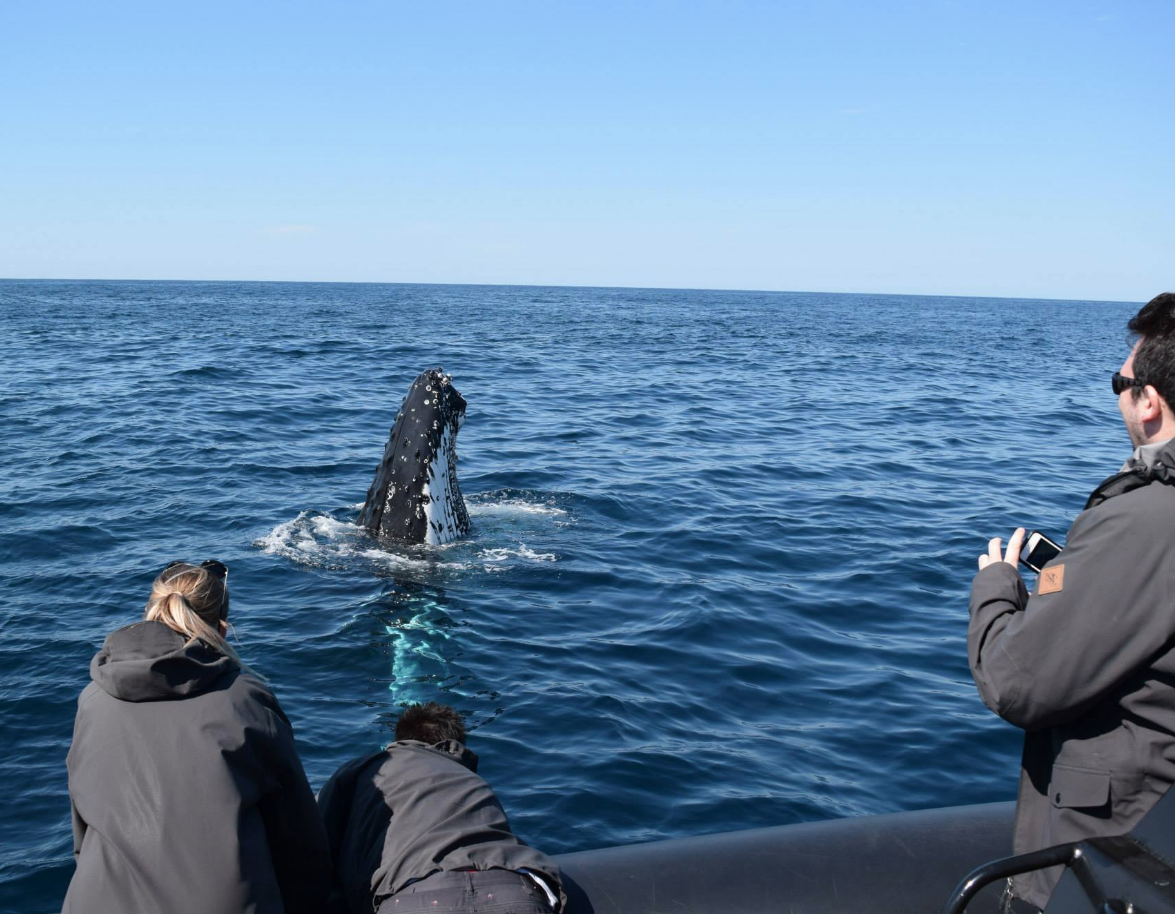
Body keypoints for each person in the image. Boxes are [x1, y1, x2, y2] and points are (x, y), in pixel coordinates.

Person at [968, 291, 1175, 912]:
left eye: (1122, 379)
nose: (1118, 391)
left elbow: (1016, 681)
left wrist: (998, 588)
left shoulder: (1147, 520)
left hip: (1119, 863)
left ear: (1149, 400)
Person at [64, 560, 332, 914]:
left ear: (151, 613)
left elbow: (83, 830)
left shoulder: (93, 699)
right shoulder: (245, 699)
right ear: (221, 628)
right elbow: (298, 838)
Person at [317, 702, 565, 914]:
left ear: (399, 739)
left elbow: (313, 840)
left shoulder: (361, 769)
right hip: (516, 890)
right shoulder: (470, 779)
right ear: (457, 744)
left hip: (414, 897)